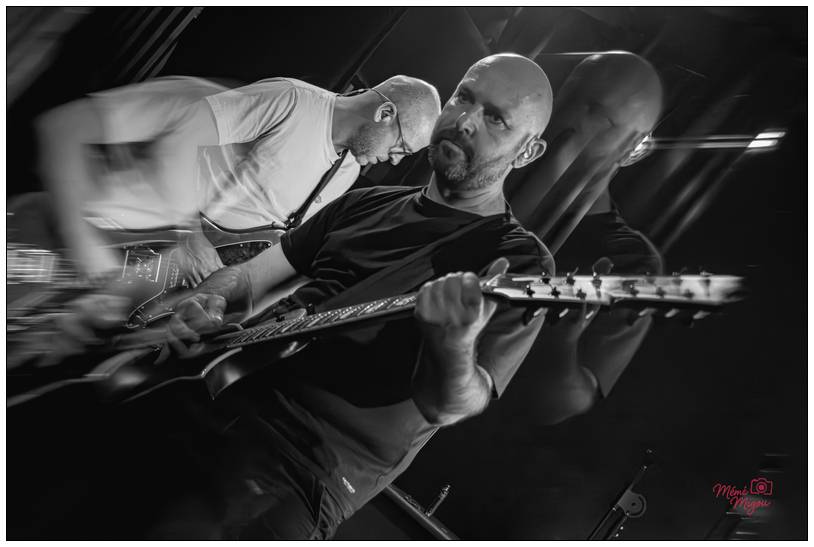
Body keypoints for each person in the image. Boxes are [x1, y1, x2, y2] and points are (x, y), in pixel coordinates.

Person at [8, 53, 554, 540]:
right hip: (213, 390)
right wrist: (210, 301)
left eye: (496, 119)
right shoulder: (363, 204)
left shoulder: (516, 261)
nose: (465, 120)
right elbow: (249, 279)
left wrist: (452, 343)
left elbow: (452, 404)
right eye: (464, 97)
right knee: (39, 440)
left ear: (528, 151)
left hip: (299, 467)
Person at [32, 74, 441, 282]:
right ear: (384, 113)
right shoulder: (290, 101)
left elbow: (273, 230)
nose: (392, 162)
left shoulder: (347, 169)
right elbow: (187, 131)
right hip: (91, 234)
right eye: (400, 148)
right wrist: (189, 235)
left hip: (145, 272)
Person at [502, 51, 664, 425]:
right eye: (567, 97)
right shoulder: (491, 160)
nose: (569, 118)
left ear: (632, 147)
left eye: (599, 115)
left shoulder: (630, 262)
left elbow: (560, 406)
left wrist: (559, 345)